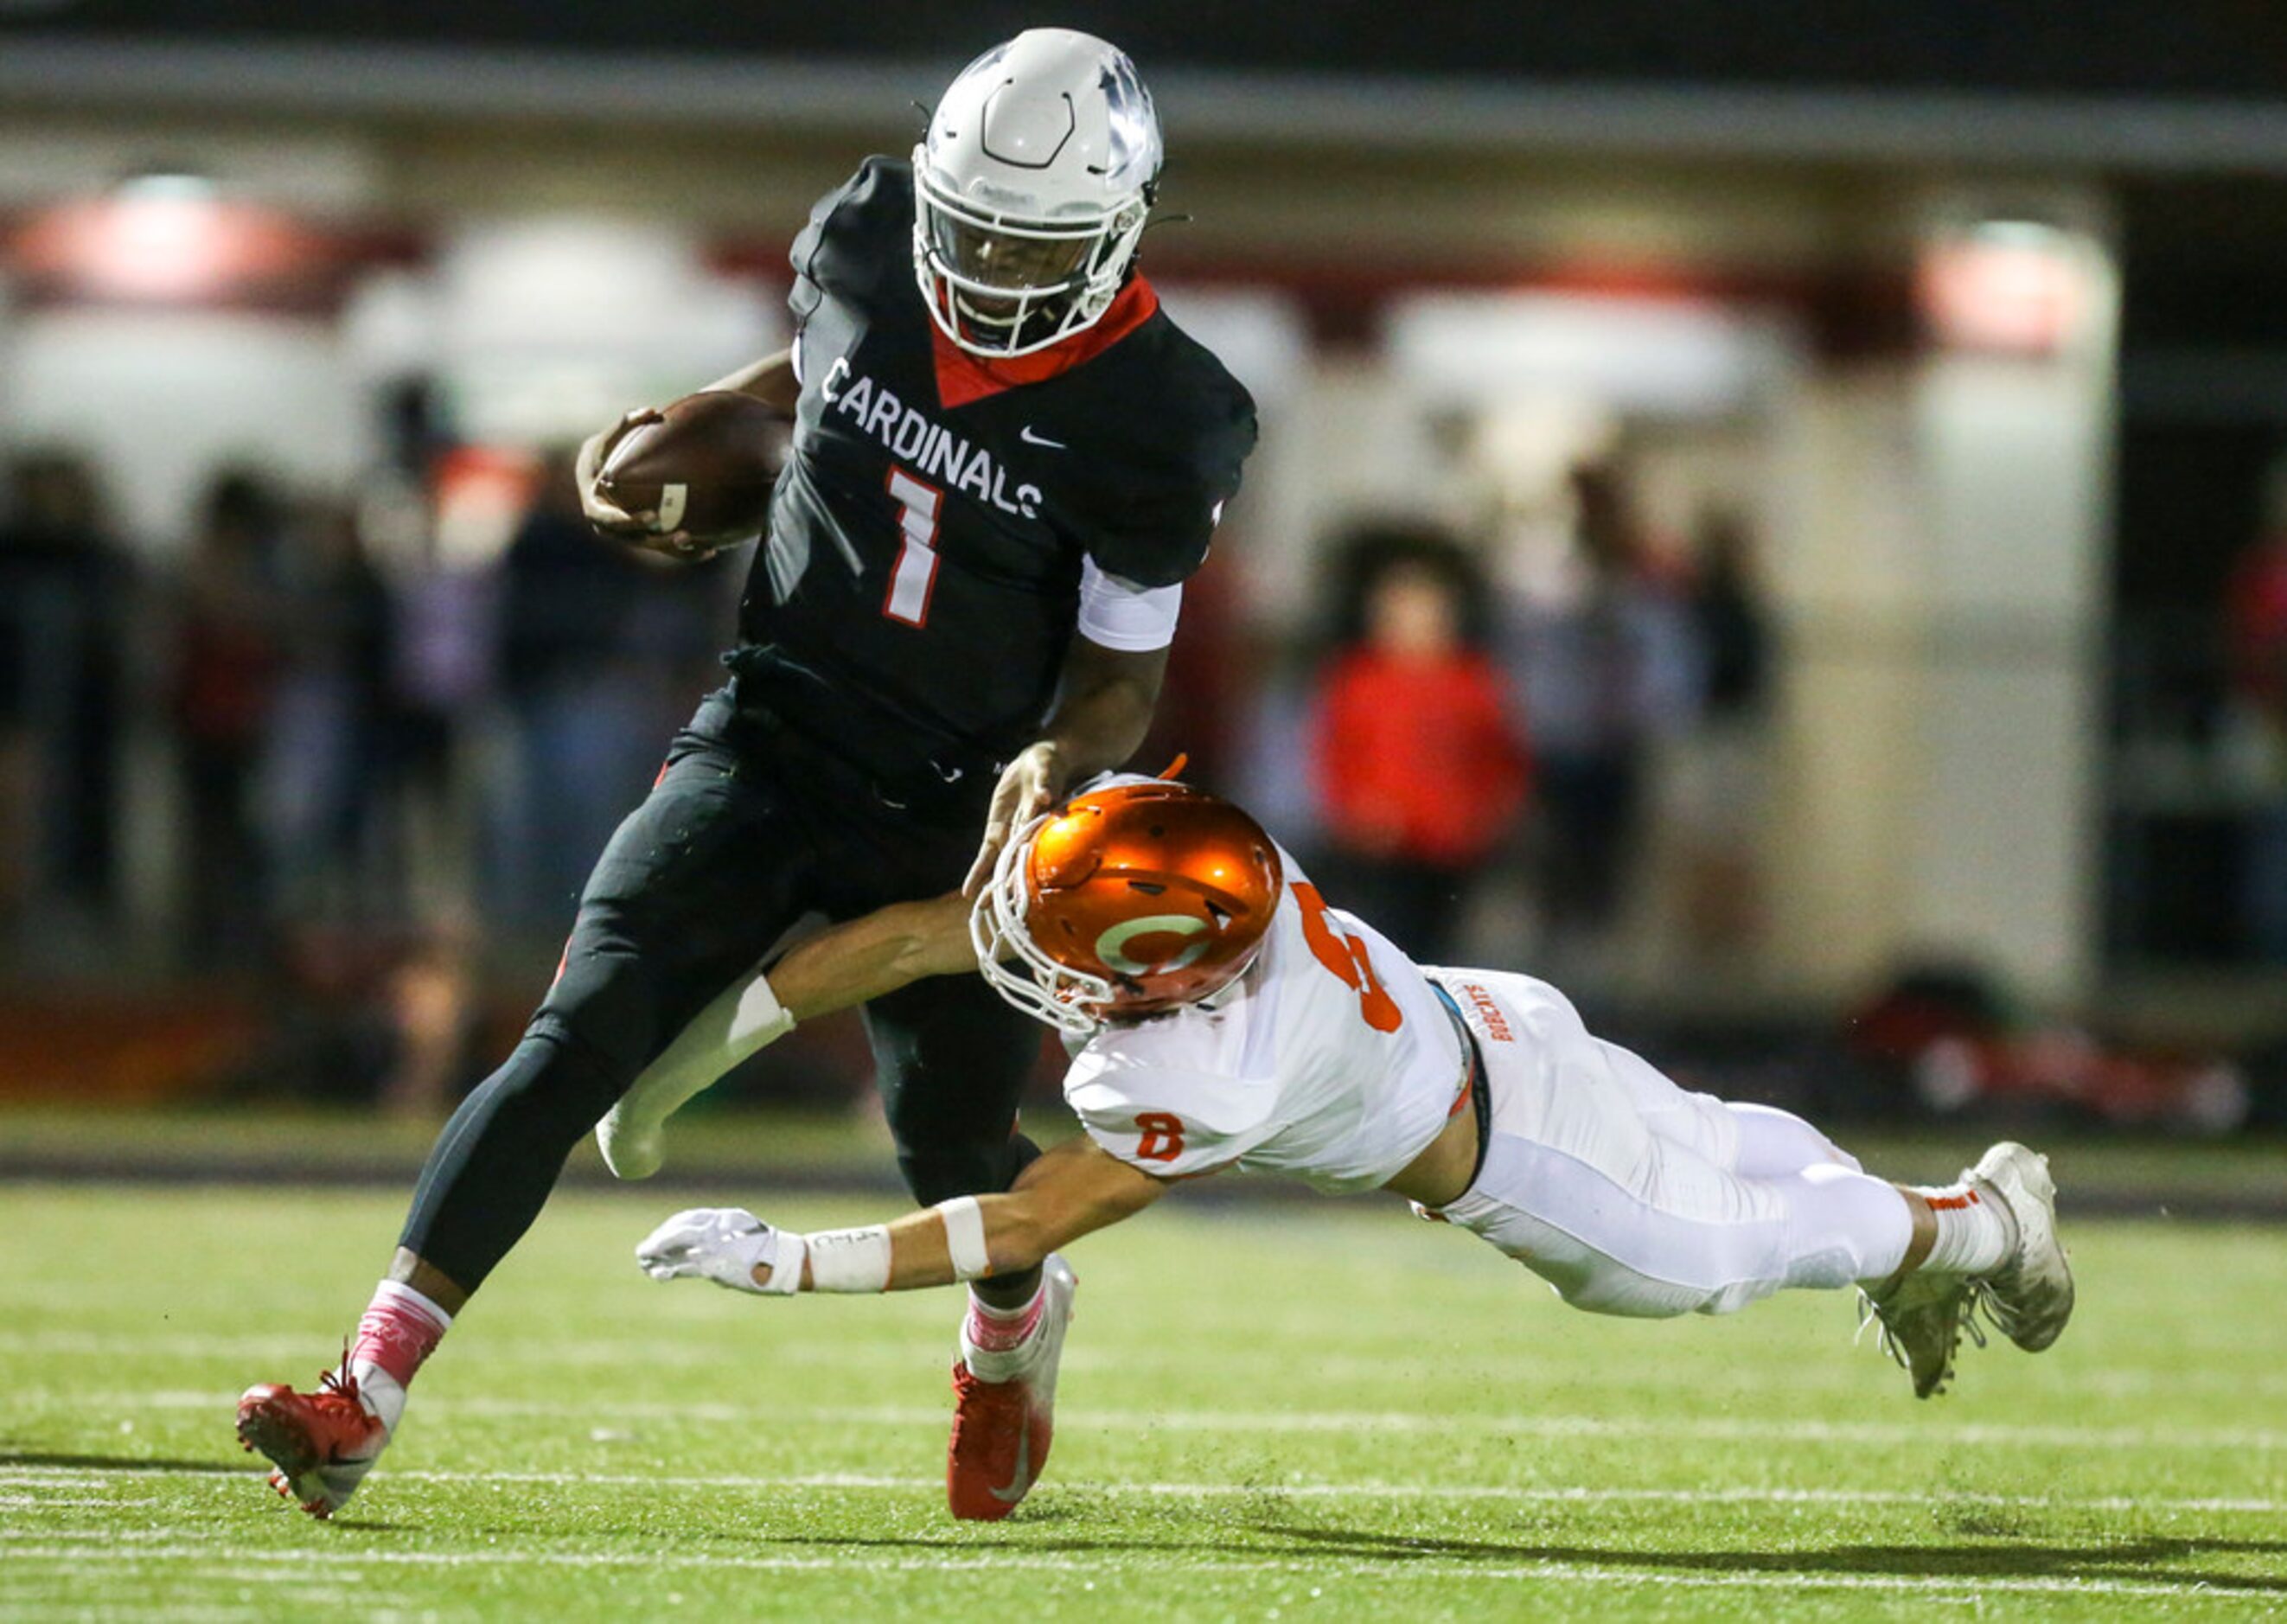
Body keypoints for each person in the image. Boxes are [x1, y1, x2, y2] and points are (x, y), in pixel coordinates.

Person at [237, 29, 1256, 1523]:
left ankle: (1010, 1329)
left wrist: (1063, 753)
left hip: (956, 803)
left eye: (1022, 242)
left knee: (954, 1145)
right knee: (575, 1038)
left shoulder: (1166, 416)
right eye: (963, 223)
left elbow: (1119, 675)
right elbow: (818, 370)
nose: (980, 262)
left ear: (1116, 231)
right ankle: (364, 1388)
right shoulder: (866, 235)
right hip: (771, 729)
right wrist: (696, 425)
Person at [624, 778, 2073, 1513]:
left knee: (1711, 1253)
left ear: (1169, 976)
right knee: (1702, 1133)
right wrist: (690, 1054)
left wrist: (786, 1258)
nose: (1032, 965)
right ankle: (1931, 1227)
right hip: (1491, 1019)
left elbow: (1016, 1224)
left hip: (1506, 1152)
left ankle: (1979, 1223)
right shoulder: (1214, 856)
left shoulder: (1207, 1069)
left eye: (1076, 959)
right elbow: (928, 933)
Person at [1307, 527, 1528, 964]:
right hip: (1381, 841)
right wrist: (1353, 810)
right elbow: (1335, 755)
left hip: (1450, 842)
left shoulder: (1473, 682)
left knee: (1438, 948)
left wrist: (1489, 817)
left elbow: (1502, 759)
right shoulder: (1359, 679)